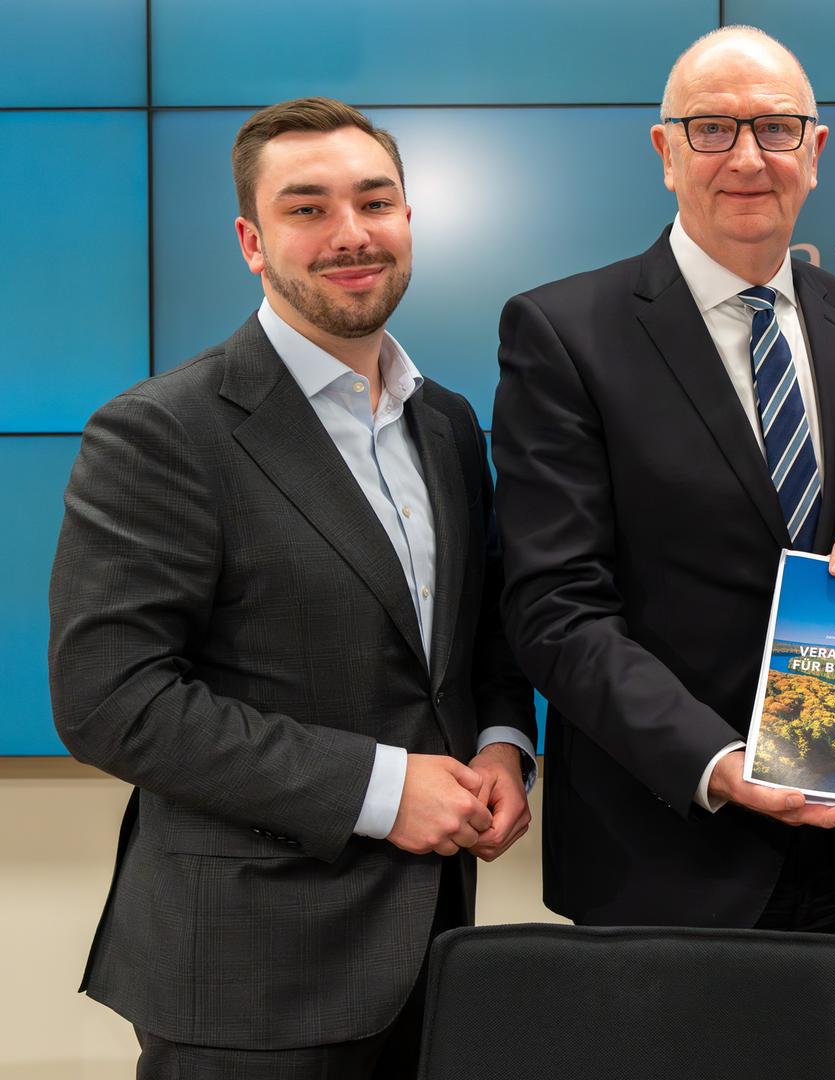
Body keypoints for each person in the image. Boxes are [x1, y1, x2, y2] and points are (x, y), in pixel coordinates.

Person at [48, 97, 536, 1077]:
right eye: (307, 208)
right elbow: (111, 699)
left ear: (408, 221)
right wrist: (383, 789)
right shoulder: (162, 431)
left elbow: (476, 632)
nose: (351, 233)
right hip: (248, 978)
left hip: (433, 954)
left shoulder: (445, 420)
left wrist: (502, 743)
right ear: (251, 242)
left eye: (375, 202)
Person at [490, 26, 835, 1000]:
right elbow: (554, 610)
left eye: (776, 128)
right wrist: (720, 762)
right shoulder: (563, 332)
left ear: (815, 152)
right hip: (660, 852)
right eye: (712, 128)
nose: (747, 157)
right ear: (665, 152)